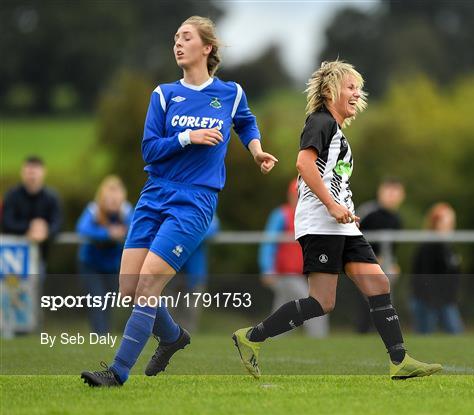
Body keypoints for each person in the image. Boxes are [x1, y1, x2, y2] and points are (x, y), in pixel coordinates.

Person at [81, 16, 277, 387]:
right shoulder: (164, 94)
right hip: (155, 193)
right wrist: (187, 136)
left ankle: (117, 372)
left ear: (207, 48)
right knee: (128, 289)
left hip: (195, 201)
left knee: (147, 287)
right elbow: (150, 149)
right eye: (175, 38)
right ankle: (172, 337)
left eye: (186, 37)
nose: (178, 43)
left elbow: (246, 122)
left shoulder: (230, 92)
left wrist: (256, 151)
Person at [233, 60, 441, 380]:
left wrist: (342, 209)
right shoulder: (320, 121)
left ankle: (399, 360)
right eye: (350, 87)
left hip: (343, 223)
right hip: (320, 222)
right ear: (331, 91)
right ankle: (252, 338)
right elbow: (304, 164)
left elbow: (332, 177)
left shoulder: (337, 131)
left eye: (359, 87)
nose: (357, 93)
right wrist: (331, 206)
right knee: (322, 302)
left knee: (378, 282)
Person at [259, 179, 329, 338]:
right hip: (285, 275)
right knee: (313, 304)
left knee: (282, 310)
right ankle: (320, 339)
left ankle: (269, 339)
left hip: (299, 275)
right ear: (290, 196)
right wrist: (267, 268)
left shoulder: (310, 217)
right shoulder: (281, 215)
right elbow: (268, 243)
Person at [76, 175, 133, 335]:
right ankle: (100, 336)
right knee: (97, 301)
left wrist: (123, 233)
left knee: (108, 303)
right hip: (91, 264)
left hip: (114, 265)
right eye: (110, 198)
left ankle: (105, 335)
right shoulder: (93, 209)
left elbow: (138, 230)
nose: (114, 202)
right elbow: (82, 229)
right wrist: (107, 233)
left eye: (117, 198)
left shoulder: (127, 211)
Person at [355, 177, 405, 333]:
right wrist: (371, 258)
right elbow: (353, 236)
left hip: (385, 267)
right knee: (369, 301)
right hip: (364, 264)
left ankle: (385, 332)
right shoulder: (369, 212)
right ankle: (363, 333)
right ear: (380, 192)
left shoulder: (397, 219)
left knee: (385, 300)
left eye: (395, 192)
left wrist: (393, 263)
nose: (392, 196)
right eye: (389, 191)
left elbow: (392, 247)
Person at [410, 203, 464, 334]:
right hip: (427, 301)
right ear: (435, 223)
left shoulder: (449, 246)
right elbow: (423, 276)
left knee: (456, 335)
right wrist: (432, 298)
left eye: (451, 221)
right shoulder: (428, 245)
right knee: (425, 338)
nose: (449, 225)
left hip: (446, 300)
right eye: (445, 221)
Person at [1, 156, 62, 267]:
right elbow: (6, 222)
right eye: (29, 172)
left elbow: (58, 222)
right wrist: (29, 227)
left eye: (35, 172)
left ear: (43, 173)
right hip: (12, 257)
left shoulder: (52, 197)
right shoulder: (12, 195)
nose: (32, 176)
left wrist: (45, 231)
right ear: (22, 173)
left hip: (42, 255)